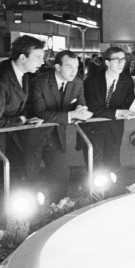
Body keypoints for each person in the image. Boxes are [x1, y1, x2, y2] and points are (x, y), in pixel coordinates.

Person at [0, 35, 46, 229]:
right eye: (38, 57)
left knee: (16, 184)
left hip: (6, 141)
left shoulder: (22, 75)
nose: (42, 61)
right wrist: (21, 120)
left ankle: (14, 228)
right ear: (22, 57)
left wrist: (25, 119)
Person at [24, 50, 92, 202]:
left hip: (56, 136)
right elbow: (40, 113)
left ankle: (58, 210)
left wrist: (82, 111)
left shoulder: (77, 82)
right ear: (57, 67)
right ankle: (30, 215)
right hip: (33, 136)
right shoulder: (39, 82)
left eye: (76, 67)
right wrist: (71, 114)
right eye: (69, 67)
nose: (74, 71)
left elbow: (81, 105)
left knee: (61, 177)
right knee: (29, 180)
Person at [83, 47, 135, 176]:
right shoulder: (92, 81)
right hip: (94, 128)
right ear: (107, 62)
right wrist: (118, 112)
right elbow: (92, 107)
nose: (121, 63)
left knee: (113, 165)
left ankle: (112, 188)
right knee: (96, 168)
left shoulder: (126, 80)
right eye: (117, 60)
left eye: (123, 59)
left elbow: (129, 102)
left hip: (114, 128)